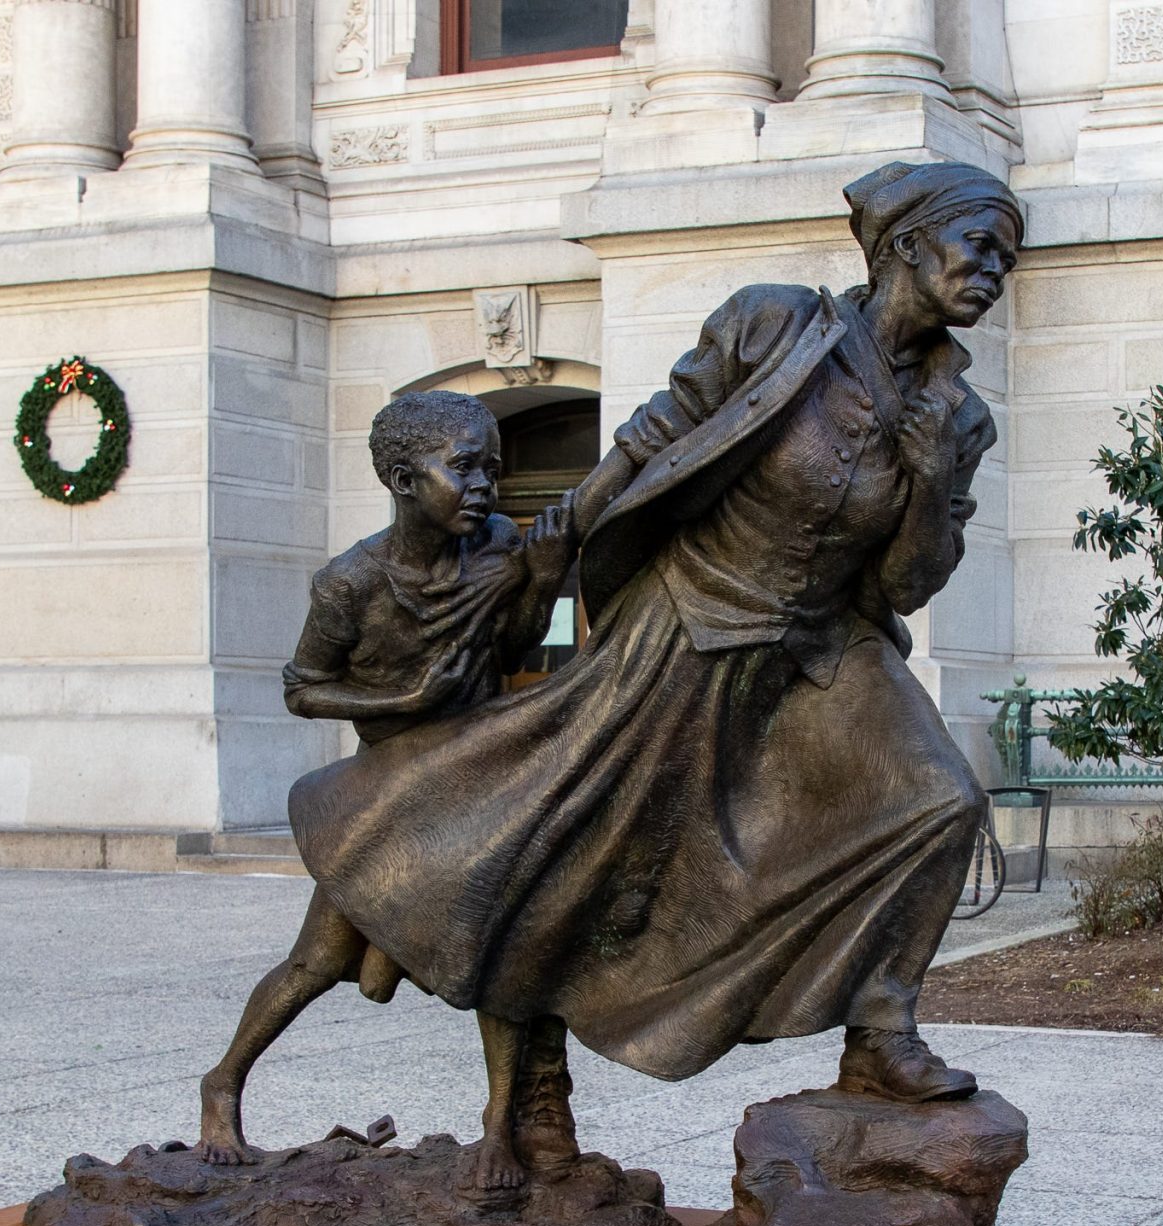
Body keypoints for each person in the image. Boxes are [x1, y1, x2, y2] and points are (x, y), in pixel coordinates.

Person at [285, 161, 1023, 1160]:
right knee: (587, 860)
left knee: (936, 800)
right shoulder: (774, 327)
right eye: (977, 243)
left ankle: (881, 1030)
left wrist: (932, 480)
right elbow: (651, 439)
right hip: (688, 620)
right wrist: (554, 542)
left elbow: (903, 588)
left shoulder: (960, 418)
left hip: (821, 641)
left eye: (1006, 257)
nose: (992, 269)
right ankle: (535, 1092)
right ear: (901, 247)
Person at [196, 390, 571, 1168]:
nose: (484, 487)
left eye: (492, 470)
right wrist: (404, 699)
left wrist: (539, 578)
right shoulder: (351, 585)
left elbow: (513, 644)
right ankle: (223, 1082)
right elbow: (302, 686)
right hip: (390, 794)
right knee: (318, 962)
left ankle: (501, 1126)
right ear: (403, 480)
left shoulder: (498, 544)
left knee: (502, 954)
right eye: (462, 468)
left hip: (476, 783)